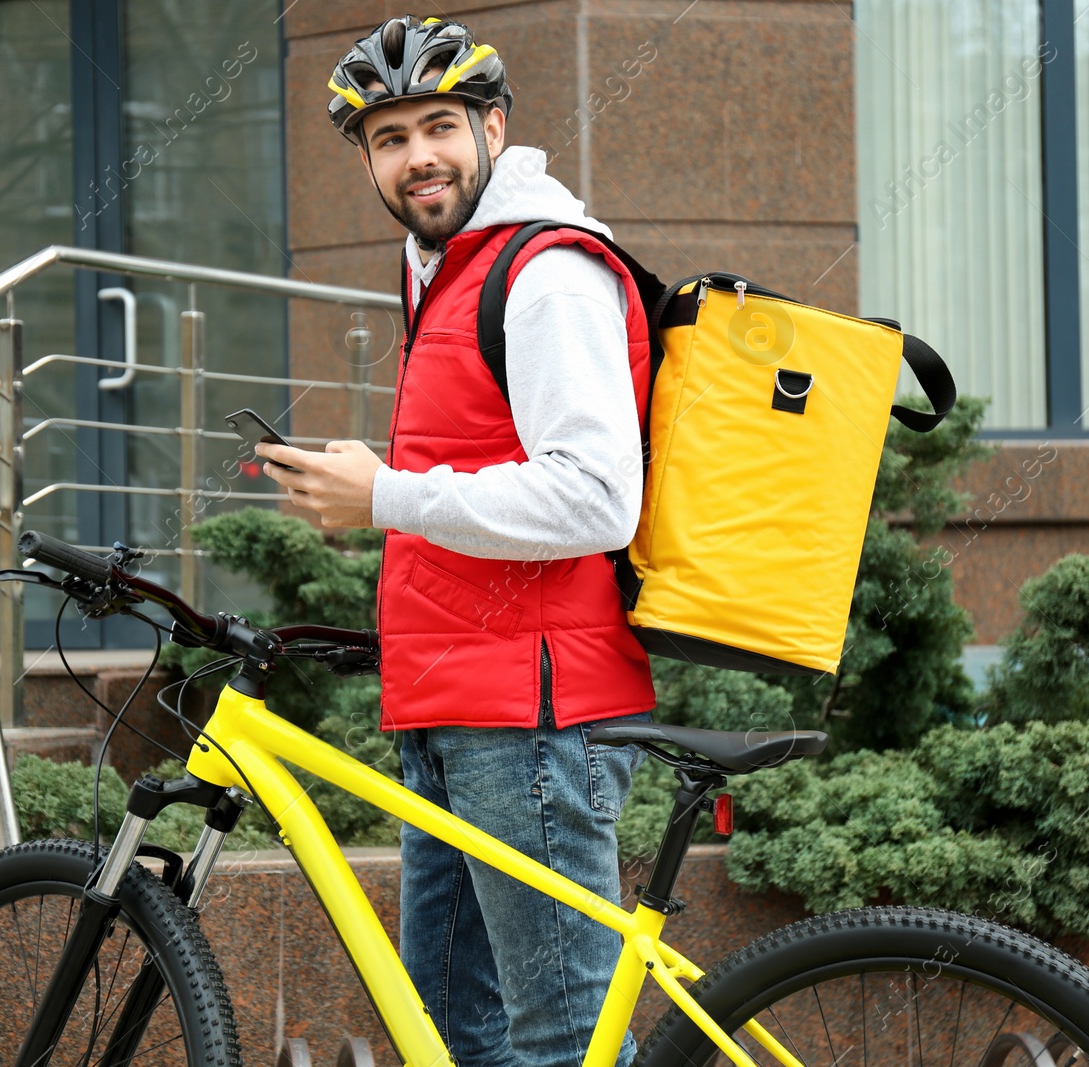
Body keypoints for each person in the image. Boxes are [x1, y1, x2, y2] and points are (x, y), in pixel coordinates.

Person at [252, 14, 657, 1067]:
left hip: (530, 722)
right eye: (388, 138)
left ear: (493, 127)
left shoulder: (545, 270)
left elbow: (596, 498)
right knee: (446, 1033)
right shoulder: (444, 267)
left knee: (559, 1041)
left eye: (438, 126)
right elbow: (471, 465)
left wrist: (384, 495)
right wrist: (368, 490)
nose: (416, 155)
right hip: (453, 710)